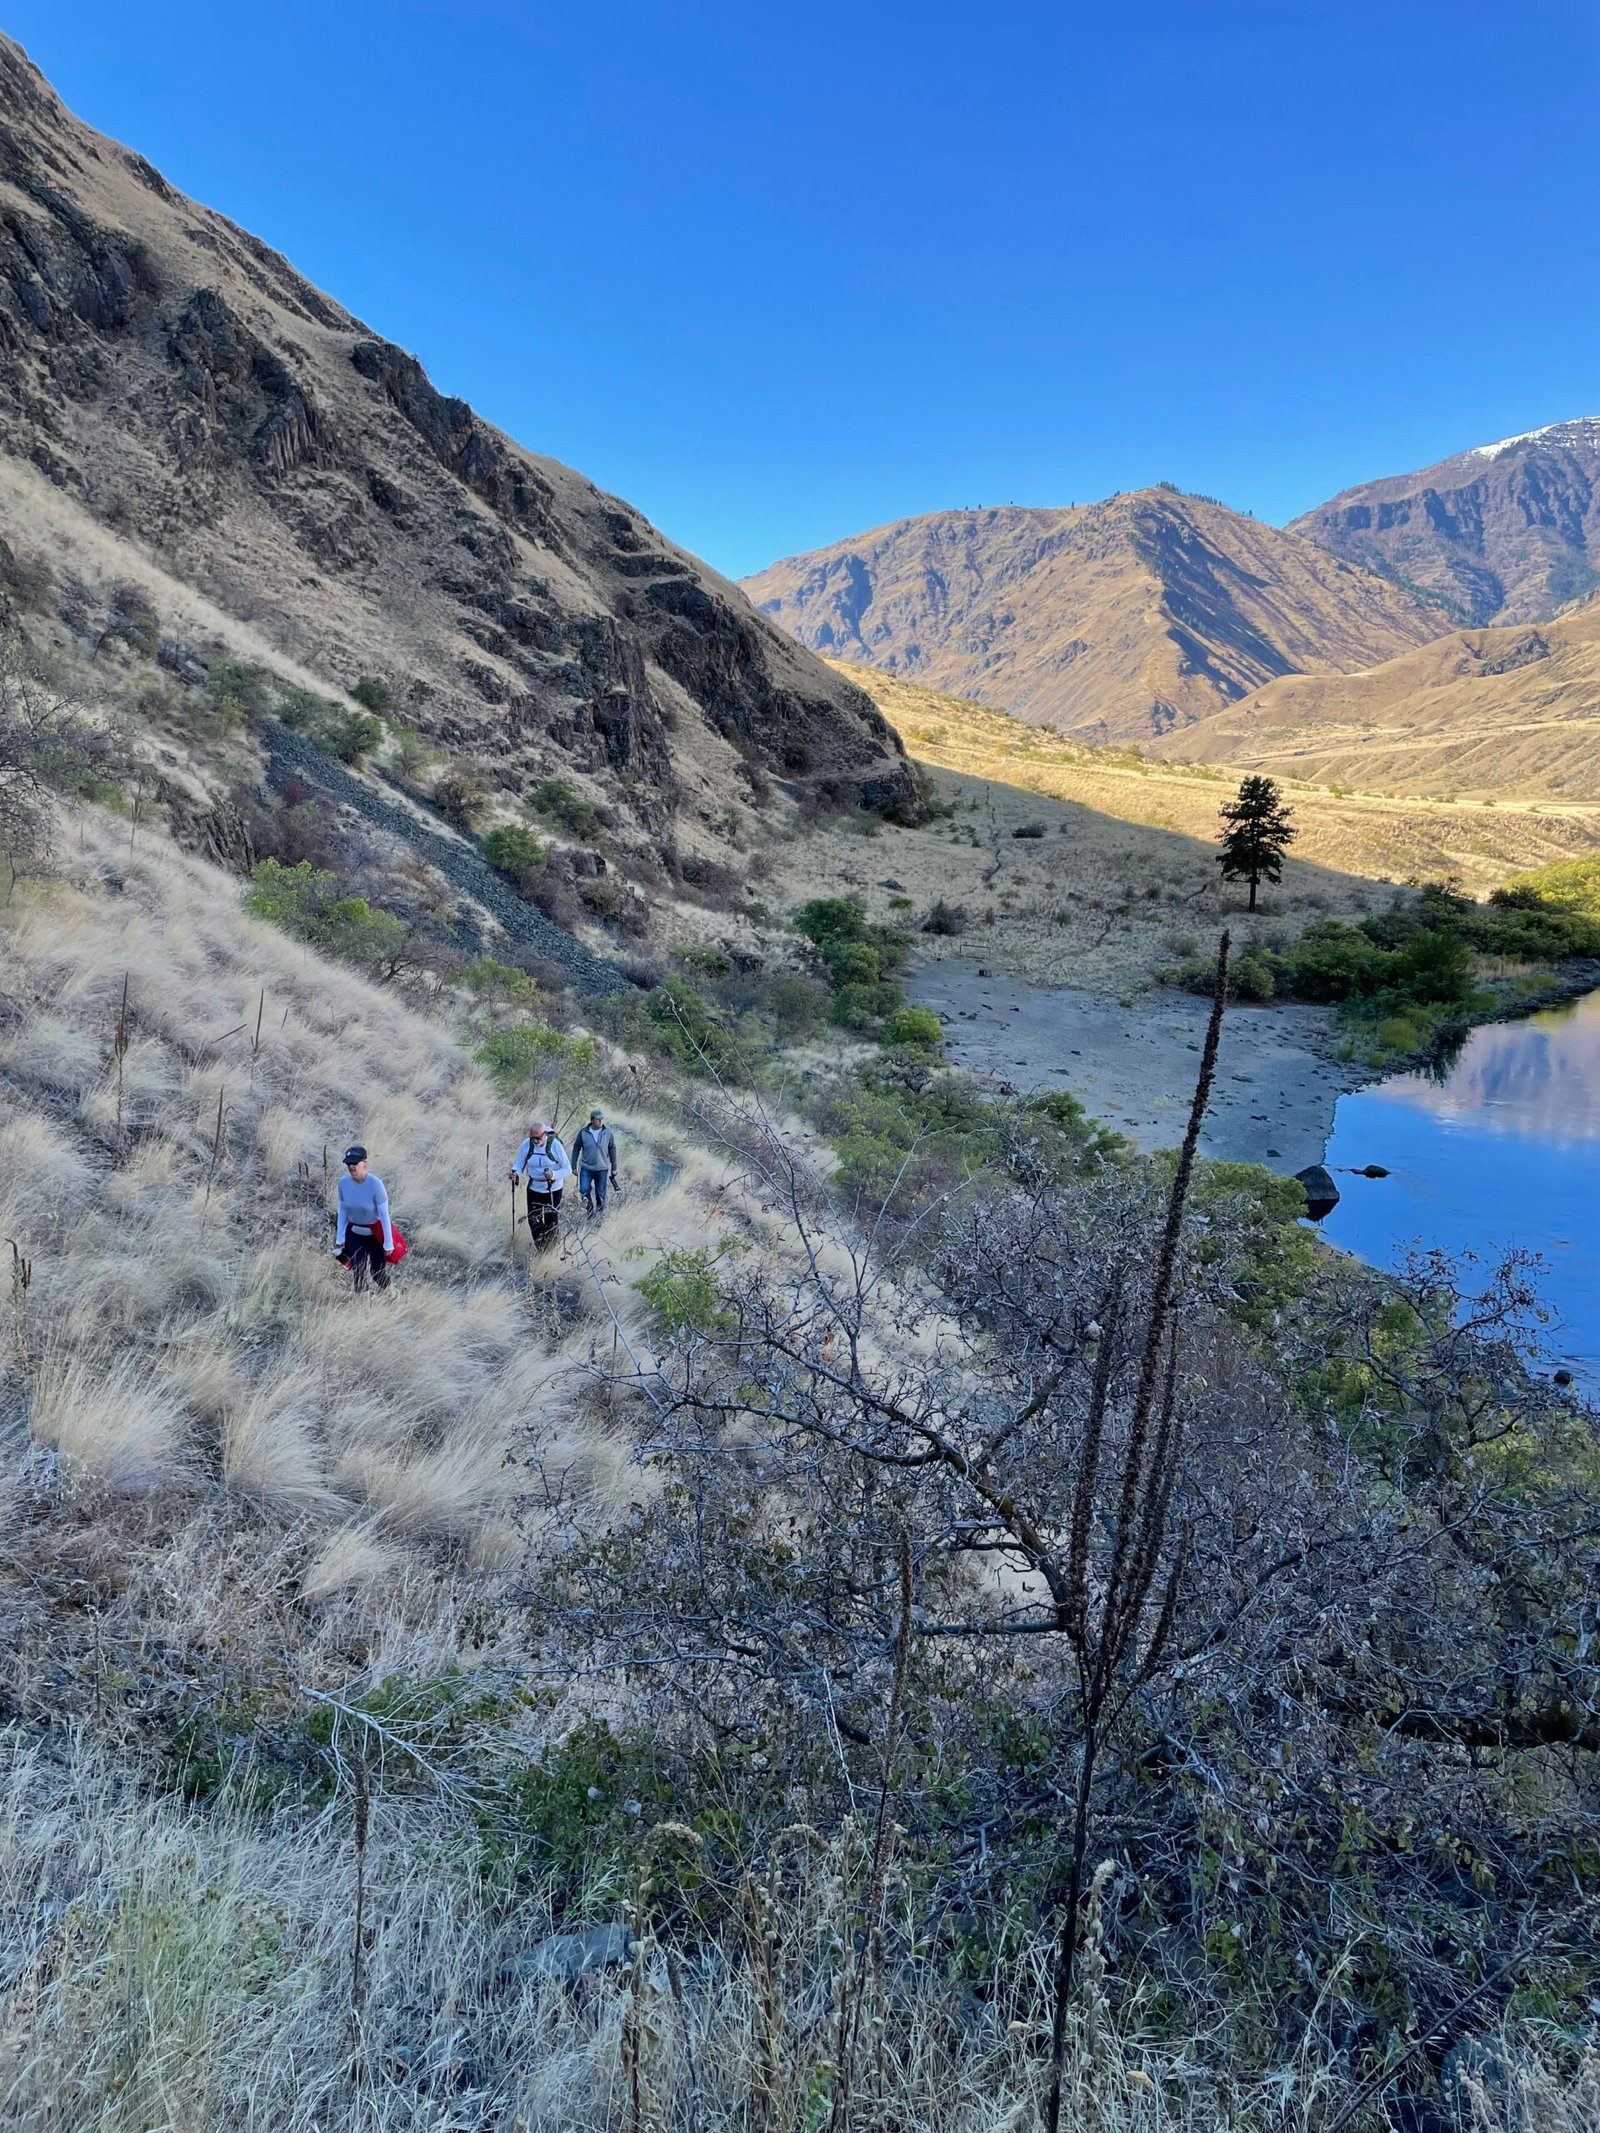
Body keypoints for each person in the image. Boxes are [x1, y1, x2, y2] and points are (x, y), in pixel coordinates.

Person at [335, 1145, 401, 1289]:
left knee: (377, 1273)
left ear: (364, 1163)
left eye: (355, 1163)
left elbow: (384, 1216)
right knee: (358, 1271)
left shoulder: (376, 1185)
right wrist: (339, 1238)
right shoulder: (343, 1183)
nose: (351, 1167)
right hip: (354, 1234)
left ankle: (391, 1294)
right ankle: (363, 1304)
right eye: (348, 1164)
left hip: (374, 1236)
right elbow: (342, 1210)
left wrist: (388, 1243)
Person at [509, 1120, 571, 1250]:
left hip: (553, 1189)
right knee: (533, 1220)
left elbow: (567, 1169)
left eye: (538, 1138)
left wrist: (553, 1174)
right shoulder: (527, 1144)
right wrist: (515, 1172)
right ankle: (541, 1248)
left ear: (545, 1134)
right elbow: (520, 1163)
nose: (535, 1141)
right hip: (534, 1188)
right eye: (533, 1138)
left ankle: (551, 1249)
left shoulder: (555, 1145)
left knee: (551, 1221)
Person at [572, 1108, 619, 1215]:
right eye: (598, 1119)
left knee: (600, 1194)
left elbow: (612, 1149)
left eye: (602, 1119)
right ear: (592, 1120)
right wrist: (573, 1165)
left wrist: (614, 1166)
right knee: (584, 1190)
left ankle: (599, 1215)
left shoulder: (607, 1132)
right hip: (586, 1168)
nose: (601, 1122)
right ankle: (590, 1212)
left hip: (602, 1169)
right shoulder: (583, 1133)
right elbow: (576, 1148)